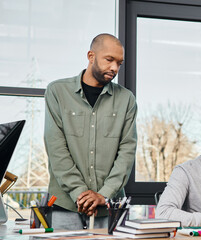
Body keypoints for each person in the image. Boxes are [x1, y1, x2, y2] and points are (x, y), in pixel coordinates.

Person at [44, 33, 137, 230]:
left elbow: (127, 152)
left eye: (119, 63)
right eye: (109, 60)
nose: (114, 68)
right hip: (65, 206)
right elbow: (56, 148)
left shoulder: (126, 99)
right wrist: (80, 193)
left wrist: (104, 194)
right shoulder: (57, 92)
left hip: (110, 207)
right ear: (91, 56)